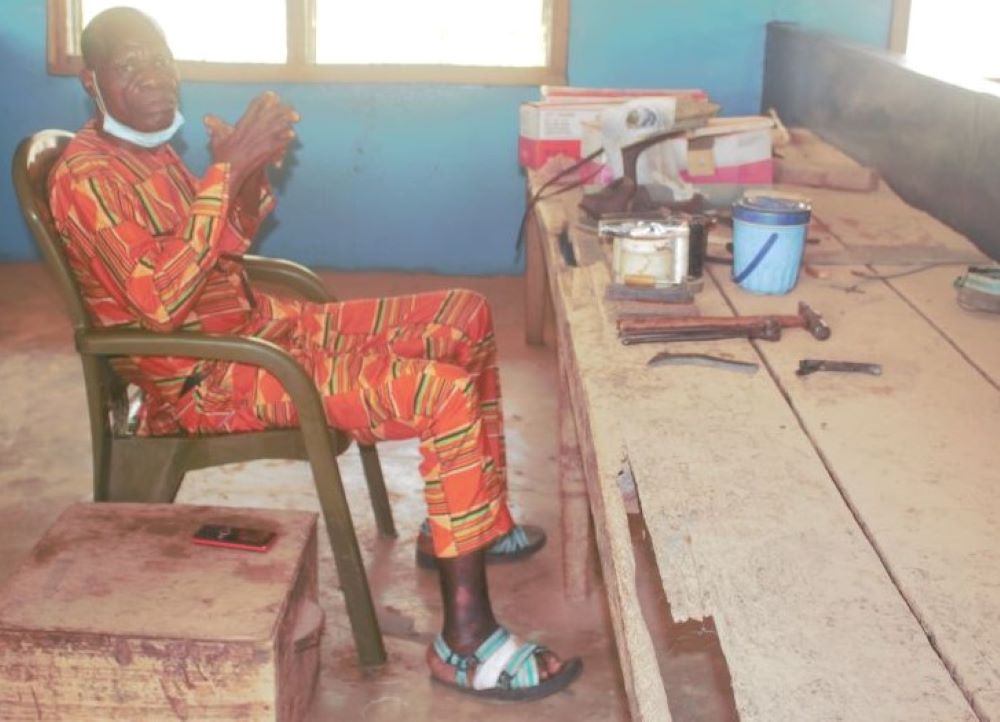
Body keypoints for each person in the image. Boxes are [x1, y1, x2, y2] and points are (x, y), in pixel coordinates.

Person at [48, 7, 581, 702]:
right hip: (212, 378)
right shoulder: (87, 176)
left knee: (464, 314)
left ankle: (468, 525)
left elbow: (222, 246)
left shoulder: (153, 152)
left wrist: (243, 179)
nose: (154, 77)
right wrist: (224, 172)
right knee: (440, 394)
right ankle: (465, 642)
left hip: (260, 335)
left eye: (161, 58)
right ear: (90, 81)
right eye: (130, 66)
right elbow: (159, 302)